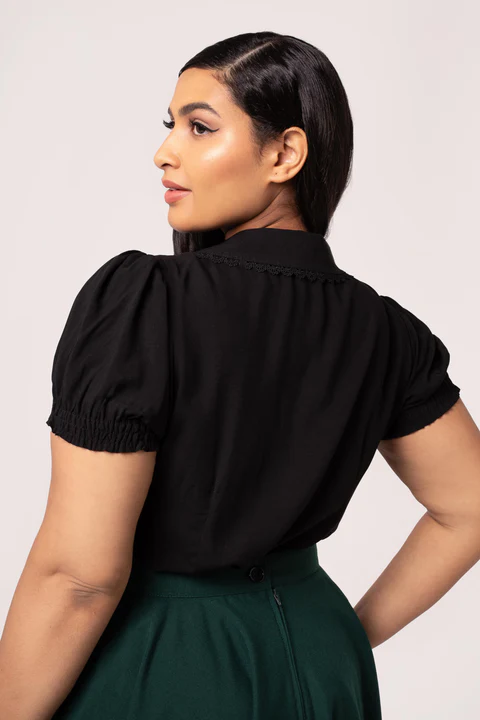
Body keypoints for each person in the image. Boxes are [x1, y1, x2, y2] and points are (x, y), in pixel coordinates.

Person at [1, 30, 478, 720]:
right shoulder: (385, 330)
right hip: (320, 666)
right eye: (171, 126)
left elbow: (78, 578)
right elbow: (470, 506)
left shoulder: (145, 303)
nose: (165, 151)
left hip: (165, 667)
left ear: (285, 154)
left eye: (199, 127)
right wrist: (341, 634)